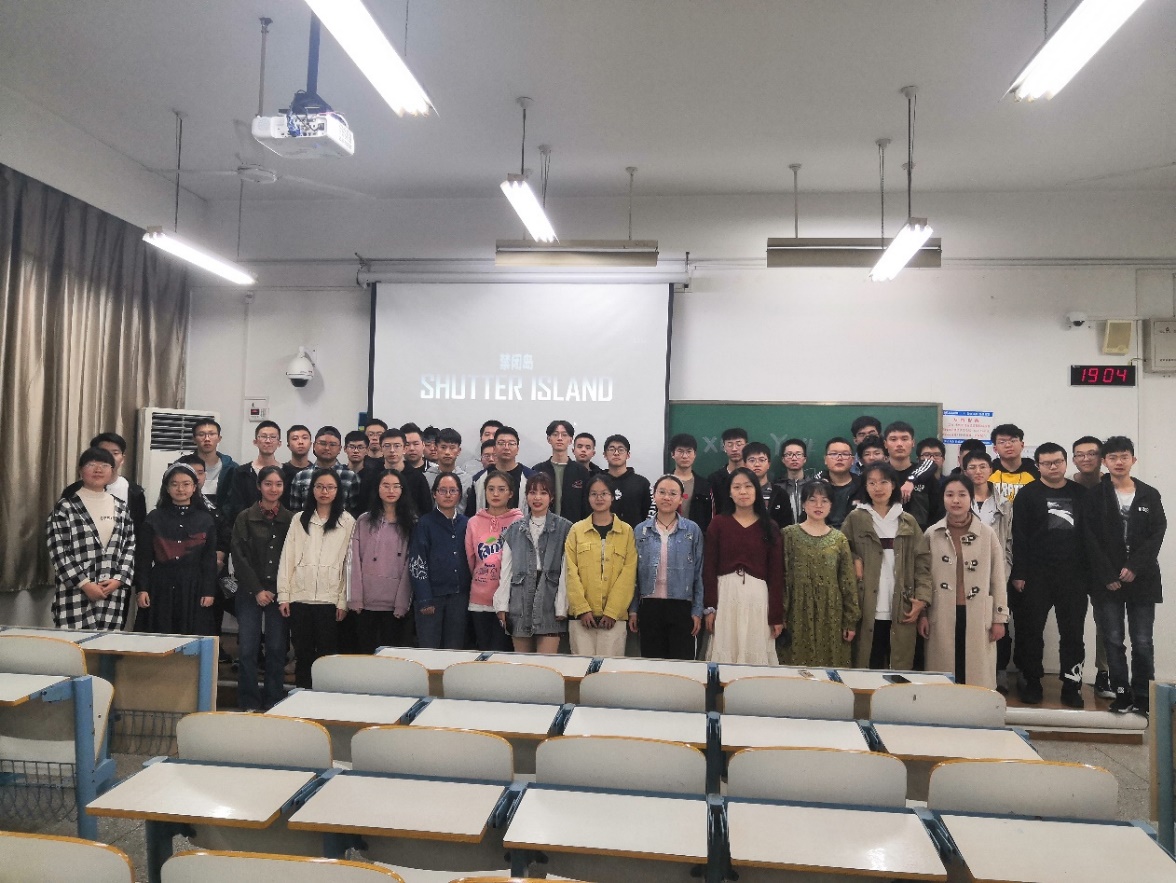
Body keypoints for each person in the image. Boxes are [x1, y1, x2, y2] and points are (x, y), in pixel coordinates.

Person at [1083, 436, 1166, 714]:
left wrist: (1135, 566)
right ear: (1104, 462)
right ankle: (1121, 693)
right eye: (1113, 457)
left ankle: (1143, 695)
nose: (1119, 462)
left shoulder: (1149, 494)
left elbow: (1157, 533)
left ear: (1133, 459)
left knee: (1142, 642)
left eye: (1124, 457)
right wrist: (1107, 574)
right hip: (1107, 581)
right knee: (1113, 641)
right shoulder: (1095, 495)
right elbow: (1089, 538)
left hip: (1143, 579)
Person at [1010, 442, 1088, 707]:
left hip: (1073, 576)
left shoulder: (1080, 494)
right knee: (1030, 632)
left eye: (1057, 462)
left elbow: (1089, 537)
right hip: (1036, 575)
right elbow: (1019, 536)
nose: (1053, 467)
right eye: (1046, 463)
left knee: (1073, 634)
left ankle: (1072, 686)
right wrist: (1019, 573)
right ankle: (1031, 681)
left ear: (1066, 462)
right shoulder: (1027, 494)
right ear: (1038, 466)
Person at [920, 474, 1010, 689]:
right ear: (942, 498)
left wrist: (999, 617)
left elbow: (998, 578)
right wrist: (922, 613)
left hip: (978, 612)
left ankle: (977, 706)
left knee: (976, 671)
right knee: (944, 672)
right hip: (941, 611)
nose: (956, 500)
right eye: (949, 495)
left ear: (971, 497)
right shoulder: (932, 534)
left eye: (962, 494)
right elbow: (922, 577)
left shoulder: (987, 534)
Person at [842, 463, 931, 670]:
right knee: (866, 666)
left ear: (893, 485)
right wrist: (854, 559)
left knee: (898, 668)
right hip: (866, 607)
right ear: (865, 487)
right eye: (871, 483)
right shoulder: (856, 518)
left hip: (902, 607)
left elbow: (922, 562)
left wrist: (922, 599)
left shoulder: (907, 521)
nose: (878, 488)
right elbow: (842, 553)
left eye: (883, 482)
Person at [277, 468, 354, 688]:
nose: (324, 492)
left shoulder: (347, 521)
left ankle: (325, 699)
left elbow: (348, 565)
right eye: (319, 487)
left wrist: (343, 601)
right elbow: (287, 557)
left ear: (338, 491)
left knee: (327, 657)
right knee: (303, 654)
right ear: (312, 490)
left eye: (330, 487)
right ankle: (302, 697)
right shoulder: (299, 519)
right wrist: (284, 595)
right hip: (300, 597)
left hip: (330, 601)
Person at [47, 447, 136, 630]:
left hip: (111, 590)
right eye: (91, 464)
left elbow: (129, 545)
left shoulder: (120, 507)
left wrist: (119, 579)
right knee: (73, 644)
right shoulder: (65, 507)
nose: (98, 469)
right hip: (75, 591)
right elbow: (59, 551)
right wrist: (85, 584)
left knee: (106, 644)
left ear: (112, 471)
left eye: (104, 465)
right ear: (80, 470)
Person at [703, 467, 784, 665]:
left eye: (748, 486)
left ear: (756, 490)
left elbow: (776, 574)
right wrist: (710, 608)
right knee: (726, 652)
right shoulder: (718, 524)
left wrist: (776, 616)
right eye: (737, 487)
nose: (743, 492)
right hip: (725, 596)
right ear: (729, 493)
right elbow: (709, 568)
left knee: (755, 651)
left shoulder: (770, 526)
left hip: (757, 598)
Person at [230, 465, 293, 711]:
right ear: (259, 486)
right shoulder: (245, 517)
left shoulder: (291, 519)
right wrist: (257, 590)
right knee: (248, 648)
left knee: (277, 648)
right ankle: (249, 701)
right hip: (250, 590)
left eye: (278, 484)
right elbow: (239, 556)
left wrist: (278, 589)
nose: (273, 489)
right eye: (268, 483)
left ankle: (273, 700)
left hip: (280, 592)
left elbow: (292, 557)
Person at [780, 481, 860, 668]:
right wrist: (780, 614)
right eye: (812, 500)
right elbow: (782, 577)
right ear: (803, 504)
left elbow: (847, 581)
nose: (818, 505)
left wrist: (850, 620)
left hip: (831, 611)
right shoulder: (788, 535)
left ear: (831, 505)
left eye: (824, 501)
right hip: (796, 609)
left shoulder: (839, 539)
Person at [135, 463, 218, 635]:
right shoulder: (154, 518)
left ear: (194, 487)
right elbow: (143, 557)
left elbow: (209, 559)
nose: (180, 489)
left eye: (186, 484)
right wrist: (142, 588)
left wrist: (209, 591)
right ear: (167, 488)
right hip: (160, 585)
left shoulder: (205, 519)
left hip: (193, 585)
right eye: (174, 484)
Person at [628, 475, 705, 660]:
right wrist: (633, 609)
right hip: (649, 606)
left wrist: (697, 610)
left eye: (672, 493)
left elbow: (699, 573)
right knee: (652, 663)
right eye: (662, 492)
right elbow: (633, 575)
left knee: (682, 663)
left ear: (681, 499)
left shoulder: (692, 530)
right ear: (654, 495)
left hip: (681, 605)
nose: (666, 497)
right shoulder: (640, 530)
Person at [495, 472, 573, 653]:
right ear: (526, 496)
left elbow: (566, 571)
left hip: (550, 600)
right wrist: (502, 606)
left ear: (551, 497)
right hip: (519, 601)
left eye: (543, 493)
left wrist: (562, 607)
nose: (537, 498)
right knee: (522, 663)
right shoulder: (514, 529)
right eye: (532, 492)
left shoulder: (565, 528)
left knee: (545, 663)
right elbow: (505, 572)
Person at [565, 474, 638, 657]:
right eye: (594, 494)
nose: (599, 498)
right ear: (588, 498)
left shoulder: (626, 531)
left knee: (608, 671)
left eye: (604, 493)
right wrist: (582, 609)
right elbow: (570, 571)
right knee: (581, 670)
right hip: (581, 620)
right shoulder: (576, 530)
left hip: (614, 620)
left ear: (612, 497)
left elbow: (628, 574)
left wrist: (613, 611)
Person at [350, 468, 418, 654]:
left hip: (395, 606)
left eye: (396, 486)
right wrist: (355, 598)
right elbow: (354, 560)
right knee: (366, 655)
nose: (391, 490)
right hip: (365, 604)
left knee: (391, 658)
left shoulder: (411, 523)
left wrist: (402, 603)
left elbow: (410, 566)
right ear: (377, 489)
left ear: (402, 490)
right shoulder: (364, 521)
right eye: (386, 486)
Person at [409, 473, 472, 649]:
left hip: (459, 597)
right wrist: (424, 599)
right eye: (442, 490)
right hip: (432, 597)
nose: (448, 495)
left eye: (453, 490)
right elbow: (417, 563)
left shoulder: (467, 523)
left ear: (459, 494)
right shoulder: (424, 523)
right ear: (434, 494)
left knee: (455, 648)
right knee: (429, 649)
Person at [465, 470, 523, 651]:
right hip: (479, 598)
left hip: (509, 600)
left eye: (501, 489)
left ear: (511, 493)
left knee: (502, 652)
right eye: (491, 489)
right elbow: (470, 560)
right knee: (484, 650)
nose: (495, 494)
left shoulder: (519, 521)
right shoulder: (474, 522)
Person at [1071, 434, 1112, 698]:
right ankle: (1072, 674)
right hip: (1072, 564)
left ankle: (1104, 673)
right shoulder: (1066, 485)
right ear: (1074, 459)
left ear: (1102, 458)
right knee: (1072, 622)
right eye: (1080, 454)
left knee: (1106, 621)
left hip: (1103, 565)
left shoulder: (1112, 486)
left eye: (1092, 453)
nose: (1086, 458)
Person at [59, 431, 148, 532]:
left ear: (122, 459)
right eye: (104, 452)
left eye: (115, 453)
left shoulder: (135, 492)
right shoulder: (73, 491)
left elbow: (138, 531)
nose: (109, 457)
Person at [220, 421, 282, 528]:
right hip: (246, 529)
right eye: (263, 436)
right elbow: (235, 505)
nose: (268, 441)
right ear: (255, 441)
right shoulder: (241, 472)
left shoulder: (286, 472)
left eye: (273, 437)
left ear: (279, 443)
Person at [287, 426, 361, 513]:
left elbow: (355, 512)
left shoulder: (350, 476)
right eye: (322, 443)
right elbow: (295, 512)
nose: (327, 448)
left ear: (340, 449)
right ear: (314, 446)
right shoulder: (301, 476)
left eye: (332, 444)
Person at [532, 419, 590, 521]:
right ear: (549, 439)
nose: (559, 438)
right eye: (555, 434)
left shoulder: (581, 472)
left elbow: (586, 505)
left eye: (564, 435)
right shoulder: (538, 470)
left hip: (574, 527)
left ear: (570, 440)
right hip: (543, 525)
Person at [884, 421, 938, 530]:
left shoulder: (925, 475)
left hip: (920, 534)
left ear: (913, 443)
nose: (899, 444)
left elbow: (937, 511)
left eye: (904, 439)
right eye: (893, 439)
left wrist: (911, 480)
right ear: (885, 444)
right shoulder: (879, 474)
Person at [367, 428, 433, 516]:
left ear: (404, 449)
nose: (392, 450)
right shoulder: (371, 476)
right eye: (387, 446)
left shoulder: (417, 477)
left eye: (397, 446)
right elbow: (364, 506)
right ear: (381, 448)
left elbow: (426, 510)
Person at [466, 426, 531, 514]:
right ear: (494, 448)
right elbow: (471, 513)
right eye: (501, 443)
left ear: (517, 449)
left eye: (511, 444)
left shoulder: (530, 478)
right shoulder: (479, 479)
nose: (506, 447)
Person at [601, 434, 652, 528]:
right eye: (612, 449)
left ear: (628, 455)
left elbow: (648, 513)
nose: (616, 453)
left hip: (634, 535)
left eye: (621, 450)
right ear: (605, 455)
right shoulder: (598, 482)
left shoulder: (642, 483)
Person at [667, 433, 712, 534]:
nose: (685, 456)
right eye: (680, 451)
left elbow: (709, 517)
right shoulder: (663, 483)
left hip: (696, 537)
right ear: (672, 454)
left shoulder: (704, 485)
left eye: (689, 451)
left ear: (694, 454)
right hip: (668, 536)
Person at [812, 437, 862, 529]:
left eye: (845, 454)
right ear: (825, 459)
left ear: (852, 460)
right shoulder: (814, 487)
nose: (839, 458)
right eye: (833, 454)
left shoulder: (862, 486)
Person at [989, 424, 1038, 506]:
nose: (1008, 445)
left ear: (1022, 445)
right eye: (1002, 442)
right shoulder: (989, 471)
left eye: (1013, 441)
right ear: (995, 448)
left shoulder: (1036, 472)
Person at [190, 418, 237, 503]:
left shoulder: (232, 469)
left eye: (211, 434)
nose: (207, 439)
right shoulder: (182, 466)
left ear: (219, 438)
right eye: (201, 434)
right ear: (194, 439)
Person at [707, 427, 748, 514]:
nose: (734, 449)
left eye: (739, 444)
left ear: (746, 446)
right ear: (724, 447)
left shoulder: (753, 476)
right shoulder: (714, 479)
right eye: (730, 445)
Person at [769, 438, 808, 527]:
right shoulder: (776, 488)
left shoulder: (814, 487)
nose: (794, 458)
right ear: (783, 459)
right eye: (789, 454)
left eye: (798, 454)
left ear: (805, 459)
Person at [282, 424, 313, 507]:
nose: (300, 442)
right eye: (295, 438)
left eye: (305, 438)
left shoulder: (316, 472)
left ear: (310, 444)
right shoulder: (281, 472)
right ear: (288, 445)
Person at [741, 442, 775, 509]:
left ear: (769, 464)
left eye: (761, 460)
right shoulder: (739, 493)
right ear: (745, 465)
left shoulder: (780, 494)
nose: (757, 464)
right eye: (752, 460)